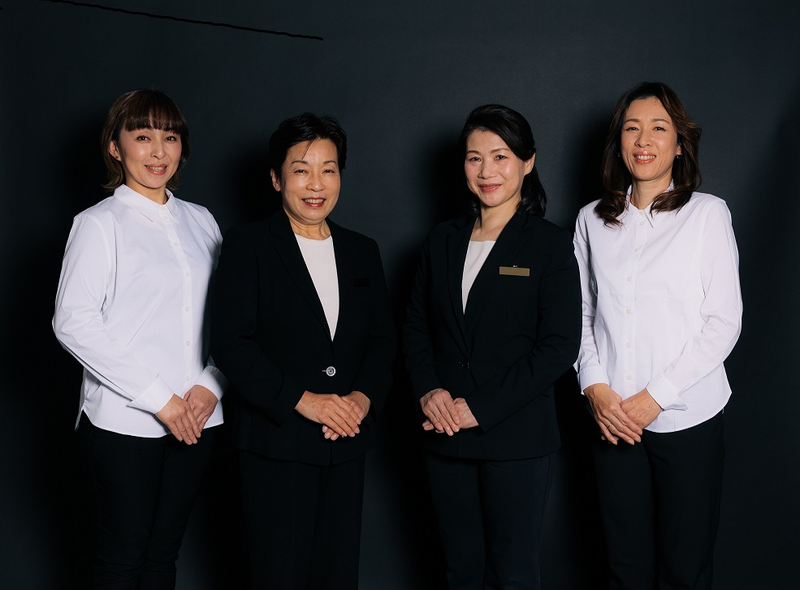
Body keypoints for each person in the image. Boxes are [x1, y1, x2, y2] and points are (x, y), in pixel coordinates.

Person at [209, 113, 395, 589]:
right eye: (301, 169)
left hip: (346, 439)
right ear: (276, 179)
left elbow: (382, 339)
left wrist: (361, 400)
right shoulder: (248, 245)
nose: (316, 184)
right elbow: (231, 343)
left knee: (338, 576)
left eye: (328, 169)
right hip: (276, 442)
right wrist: (305, 401)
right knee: (279, 576)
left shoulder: (362, 250)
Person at [52, 89, 227, 589]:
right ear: (115, 146)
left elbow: (230, 316)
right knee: (122, 559)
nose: (158, 151)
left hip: (199, 417)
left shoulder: (203, 220)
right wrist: (160, 400)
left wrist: (210, 385)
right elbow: (74, 322)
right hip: (123, 423)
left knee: (162, 556)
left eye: (170, 137)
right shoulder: (98, 223)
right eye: (143, 136)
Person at [404, 104, 581, 589]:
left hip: (517, 438)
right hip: (443, 431)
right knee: (459, 570)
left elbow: (559, 346)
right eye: (474, 158)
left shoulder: (548, 244)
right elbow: (416, 327)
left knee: (513, 574)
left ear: (528, 162)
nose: (487, 171)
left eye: (500, 156)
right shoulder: (441, 240)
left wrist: (478, 408)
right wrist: (428, 391)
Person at [573, 81, 743, 590]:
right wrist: (594, 388)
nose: (643, 140)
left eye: (658, 128)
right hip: (612, 420)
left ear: (679, 143)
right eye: (632, 128)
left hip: (687, 419)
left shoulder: (707, 214)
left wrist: (655, 398)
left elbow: (723, 322)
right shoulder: (590, 220)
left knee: (685, 571)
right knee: (623, 568)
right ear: (618, 142)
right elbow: (579, 314)